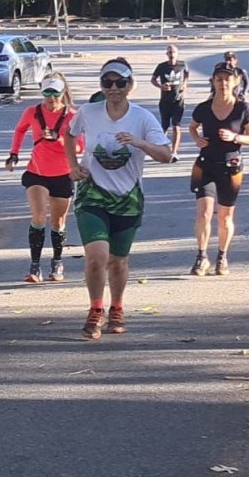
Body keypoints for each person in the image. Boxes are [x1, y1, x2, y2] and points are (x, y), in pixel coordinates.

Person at [64, 58, 171, 339]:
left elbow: (166, 155)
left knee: (118, 261)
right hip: (92, 193)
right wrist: (72, 166)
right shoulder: (88, 112)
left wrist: (140, 143)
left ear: (130, 85)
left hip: (128, 198)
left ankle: (117, 308)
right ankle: (95, 309)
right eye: (107, 82)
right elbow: (69, 134)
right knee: (97, 257)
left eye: (120, 83)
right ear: (101, 85)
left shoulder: (142, 118)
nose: (113, 88)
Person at [5, 73, 77, 283]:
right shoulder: (33, 112)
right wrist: (13, 154)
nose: (51, 98)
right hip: (37, 172)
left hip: (62, 174)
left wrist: (60, 139)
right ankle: (34, 267)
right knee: (38, 216)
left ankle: (57, 262)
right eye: (46, 93)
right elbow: (19, 130)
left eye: (55, 93)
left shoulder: (72, 116)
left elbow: (81, 146)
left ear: (63, 92)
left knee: (58, 221)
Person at [189, 62, 249, 277]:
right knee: (204, 212)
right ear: (213, 81)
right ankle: (202, 257)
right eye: (219, 79)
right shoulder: (203, 107)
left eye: (227, 79)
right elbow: (192, 127)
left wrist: (235, 137)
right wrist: (197, 139)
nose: (223, 83)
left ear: (235, 81)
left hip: (231, 168)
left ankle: (222, 256)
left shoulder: (243, 109)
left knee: (225, 216)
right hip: (205, 165)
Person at [150, 44, 189, 162]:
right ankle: (161, 150)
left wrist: (184, 85)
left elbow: (186, 75)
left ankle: (174, 152)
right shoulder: (161, 67)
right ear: (167, 54)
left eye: (174, 52)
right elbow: (153, 79)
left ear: (177, 53)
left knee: (176, 125)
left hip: (178, 100)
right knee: (164, 127)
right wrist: (161, 86)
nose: (172, 54)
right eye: (170, 52)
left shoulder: (182, 65)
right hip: (165, 101)